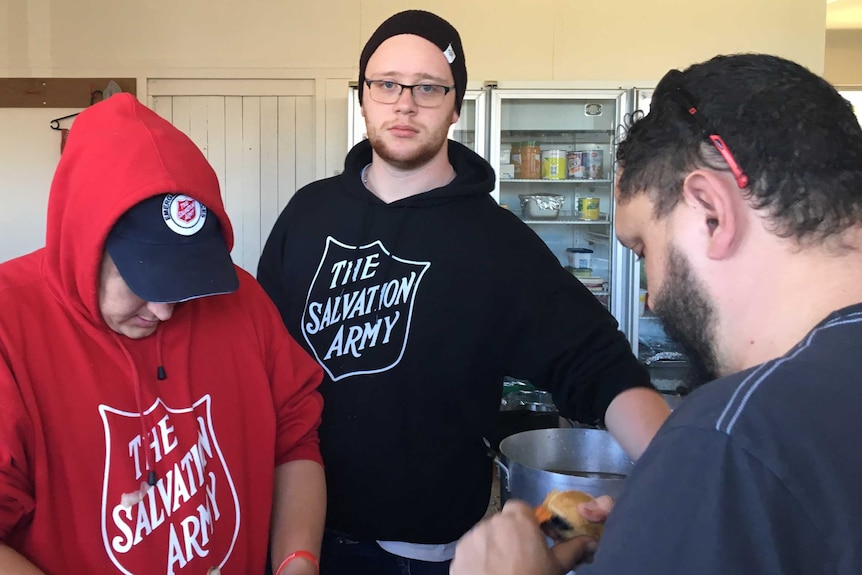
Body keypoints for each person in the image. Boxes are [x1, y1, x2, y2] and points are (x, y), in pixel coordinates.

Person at [256, 9, 669, 575]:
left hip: (424, 553)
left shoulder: (498, 242)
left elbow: (597, 364)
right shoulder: (309, 213)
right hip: (298, 531)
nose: (405, 103)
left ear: (455, 105)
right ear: (363, 97)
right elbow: (259, 360)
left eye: (428, 88)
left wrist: (682, 471)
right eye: (387, 84)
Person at [450, 53, 862, 575]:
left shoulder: (728, 436)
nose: (652, 298)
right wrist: (666, 526)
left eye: (644, 250)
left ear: (711, 213)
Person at [0, 93, 326, 574]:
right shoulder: (10, 323)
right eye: (144, 279)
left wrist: (297, 562)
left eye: (184, 282)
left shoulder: (242, 302)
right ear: (80, 243)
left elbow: (294, 440)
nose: (165, 310)